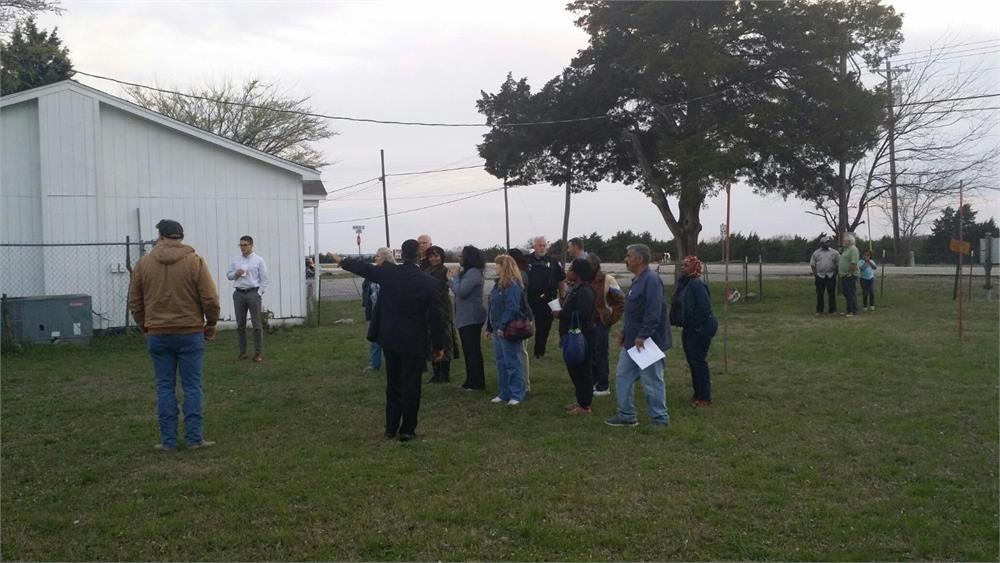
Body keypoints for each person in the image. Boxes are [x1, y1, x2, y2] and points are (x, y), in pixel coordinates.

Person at [338, 240, 446, 442]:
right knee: (411, 385)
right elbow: (437, 318)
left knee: (393, 383)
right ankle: (407, 429)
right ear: (418, 256)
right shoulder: (429, 283)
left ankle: (390, 427)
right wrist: (438, 346)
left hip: (390, 338)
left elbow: (364, 269)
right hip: (414, 341)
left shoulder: (388, 273)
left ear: (401, 255)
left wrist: (343, 261)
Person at [128, 219, 220, 451]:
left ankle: (168, 441)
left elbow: (135, 302)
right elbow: (210, 298)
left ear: (160, 236)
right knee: (192, 387)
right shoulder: (195, 262)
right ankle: (194, 438)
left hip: (158, 334)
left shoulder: (143, 264)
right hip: (190, 332)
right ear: (180, 236)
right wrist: (210, 324)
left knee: (164, 387)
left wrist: (146, 326)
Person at [606, 244, 671, 428]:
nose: (625, 259)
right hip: (631, 342)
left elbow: (653, 311)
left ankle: (659, 419)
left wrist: (643, 335)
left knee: (651, 381)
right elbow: (633, 311)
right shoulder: (637, 280)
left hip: (647, 342)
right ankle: (626, 414)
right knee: (623, 376)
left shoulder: (651, 280)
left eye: (628, 256)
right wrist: (626, 334)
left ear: (639, 259)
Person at [671, 255, 719, 407]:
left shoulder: (697, 285)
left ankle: (704, 396)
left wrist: (697, 327)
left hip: (700, 328)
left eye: (686, 265)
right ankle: (697, 393)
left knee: (698, 361)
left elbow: (704, 308)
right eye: (682, 265)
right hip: (689, 328)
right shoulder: (684, 284)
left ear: (693, 268)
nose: (682, 268)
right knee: (692, 361)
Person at [487, 255, 528, 405]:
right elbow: (492, 306)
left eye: (497, 265)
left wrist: (503, 326)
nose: (494, 267)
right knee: (501, 362)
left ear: (504, 266)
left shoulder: (513, 286)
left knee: (512, 361)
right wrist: (490, 327)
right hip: (497, 327)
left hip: (508, 328)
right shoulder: (497, 285)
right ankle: (504, 392)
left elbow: (512, 308)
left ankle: (517, 393)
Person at [559, 258, 596, 415]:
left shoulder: (585, 291)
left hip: (582, 336)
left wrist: (562, 314)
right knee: (574, 368)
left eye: (571, 269)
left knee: (582, 370)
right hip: (571, 334)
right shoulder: (575, 288)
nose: (568, 272)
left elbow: (583, 313)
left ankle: (585, 405)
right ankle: (580, 400)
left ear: (578, 273)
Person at [449, 245, 487, 391]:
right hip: (466, 317)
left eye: (462, 256)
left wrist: (453, 279)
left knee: (472, 351)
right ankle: (470, 380)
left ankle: (477, 382)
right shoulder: (470, 272)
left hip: (471, 317)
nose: (459, 258)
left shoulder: (473, 273)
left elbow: (462, 291)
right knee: (469, 350)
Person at [586, 254, 625, 396]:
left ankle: (603, 385)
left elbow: (621, 300)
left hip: (601, 322)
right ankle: (594, 381)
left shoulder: (608, 280)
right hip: (588, 322)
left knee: (600, 352)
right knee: (591, 353)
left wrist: (611, 318)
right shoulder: (585, 279)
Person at [226, 235, 268, 362]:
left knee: (256, 325)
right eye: (241, 245)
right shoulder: (236, 260)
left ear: (251, 245)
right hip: (239, 293)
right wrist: (235, 274)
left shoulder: (258, 260)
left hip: (253, 293)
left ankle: (258, 353)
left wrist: (259, 293)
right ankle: (243, 352)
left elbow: (264, 278)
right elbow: (228, 275)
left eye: (245, 245)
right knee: (240, 325)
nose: (242, 248)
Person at [525, 236, 565, 359]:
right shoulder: (526, 261)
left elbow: (561, 280)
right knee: (524, 324)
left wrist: (562, 296)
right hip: (530, 298)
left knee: (544, 327)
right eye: (539, 245)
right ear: (534, 246)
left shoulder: (553, 262)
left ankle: (539, 353)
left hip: (548, 299)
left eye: (544, 245)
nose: (542, 248)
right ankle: (521, 350)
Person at [424, 245, 459, 383]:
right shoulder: (426, 270)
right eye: (431, 256)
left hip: (442, 306)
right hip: (429, 307)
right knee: (431, 337)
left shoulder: (445, 271)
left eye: (436, 256)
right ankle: (436, 372)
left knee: (445, 338)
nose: (433, 258)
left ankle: (445, 373)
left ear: (441, 257)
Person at [361, 248, 396, 372]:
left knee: (390, 338)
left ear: (385, 258)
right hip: (373, 311)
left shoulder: (393, 273)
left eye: (378, 256)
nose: (375, 258)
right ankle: (374, 364)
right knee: (374, 338)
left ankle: (393, 364)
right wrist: (365, 303)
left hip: (388, 312)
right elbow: (366, 289)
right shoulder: (373, 273)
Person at [507, 248, 534, 389]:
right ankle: (516, 380)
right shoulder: (515, 274)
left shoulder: (520, 275)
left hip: (521, 317)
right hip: (517, 316)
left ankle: (524, 382)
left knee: (521, 351)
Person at [810, 236, 839, 316]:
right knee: (820, 294)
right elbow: (812, 264)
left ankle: (832, 310)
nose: (828, 243)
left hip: (830, 275)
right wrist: (816, 275)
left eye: (828, 242)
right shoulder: (816, 253)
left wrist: (835, 274)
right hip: (820, 276)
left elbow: (838, 264)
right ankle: (819, 310)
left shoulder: (834, 252)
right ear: (822, 243)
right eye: (826, 242)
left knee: (831, 294)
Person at [839, 233, 860, 317]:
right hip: (844, 275)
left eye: (845, 240)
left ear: (850, 241)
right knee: (846, 292)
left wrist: (850, 273)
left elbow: (853, 262)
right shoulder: (846, 249)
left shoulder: (853, 249)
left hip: (850, 275)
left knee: (850, 292)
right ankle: (848, 310)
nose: (843, 242)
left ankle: (852, 310)